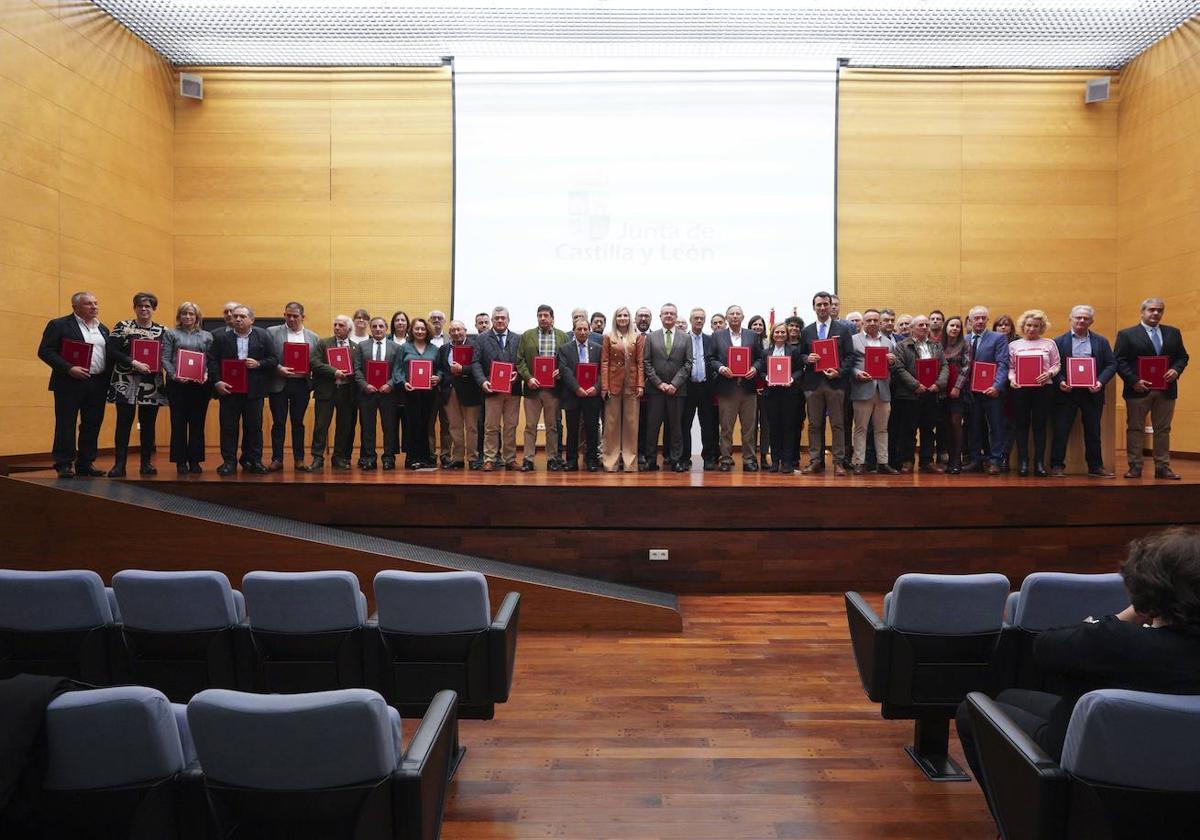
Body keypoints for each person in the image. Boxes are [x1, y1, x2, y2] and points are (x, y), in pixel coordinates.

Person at [955, 527, 1200, 824]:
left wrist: (1129, 615)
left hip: (1087, 766)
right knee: (1009, 698)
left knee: (972, 711)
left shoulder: (1115, 642)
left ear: (1146, 591)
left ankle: (1022, 824)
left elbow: (1045, 648)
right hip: (1184, 773)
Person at [37, 291, 111, 478]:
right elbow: (45, 351)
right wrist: (69, 368)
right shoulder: (59, 324)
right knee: (66, 423)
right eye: (88, 304)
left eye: (96, 303)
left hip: (97, 382)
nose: (94, 307)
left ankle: (86, 463)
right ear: (75, 306)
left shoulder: (103, 329)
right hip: (68, 382)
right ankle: (63, 463)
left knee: (92, 424)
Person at [1114, 297, 1190, 480]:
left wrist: (1176, 370)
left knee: (1163, 429)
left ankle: (1162, 466)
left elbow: (1182, 357)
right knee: (1135, 428)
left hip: (1166, 389)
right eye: (1151, 310)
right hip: (1137, 391)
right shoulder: (1127, 334)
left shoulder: (1173, 333)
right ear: (1142, 312)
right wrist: (1134, 381)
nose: (1156, 313)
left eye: (1159, 310)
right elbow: (1118, 360)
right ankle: (1135, 466)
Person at [207, 305, 277, 475]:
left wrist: (259, 363)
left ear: (251, 320)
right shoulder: (222, 337)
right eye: (235, 316)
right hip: (229, 390)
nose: (237, 319)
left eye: (242, 316)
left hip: (254, 391)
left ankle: (253, 460)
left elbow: (274, 359)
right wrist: (217, 382)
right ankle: (229, 462)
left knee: (254, 427)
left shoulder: (263, 335)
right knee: (228, 428)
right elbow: (212, 361)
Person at [1049, 305, 1117, 478]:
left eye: (1085, 318)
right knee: (1061, 430)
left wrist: (1100, 382)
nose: (1081, 320)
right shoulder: (1057, 342)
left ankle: (1096, 467)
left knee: (1093, 431)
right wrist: (1061, 381)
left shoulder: (1101, 341)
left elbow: (1111, 364)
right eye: (1078, 317)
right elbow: (1052, 366)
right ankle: (1057, 466)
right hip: (1066, 393)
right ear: (1070, 319)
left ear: (1091, 321)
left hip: (1092, 393)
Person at [105, 292, 168, 477]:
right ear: (135, 308)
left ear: (154, 309)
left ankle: (146, 463)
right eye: (140, 306)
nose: (144, 309)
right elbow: (111, 350)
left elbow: (167, 355)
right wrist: (133, 362)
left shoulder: (163, 330)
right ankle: (119, 465)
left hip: (151, 383)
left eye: (148, 306)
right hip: (125, 381)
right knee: (123, 423)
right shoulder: (123, 326)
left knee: (148, 425)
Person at [799, 292, 854, 476]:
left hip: (835, 384)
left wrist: (839, 372)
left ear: (831, 306)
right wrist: (808, 358)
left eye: (825, 304)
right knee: (814, 425)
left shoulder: (843, 329)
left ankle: (839, 462)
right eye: (819, 305)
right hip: (813, 385)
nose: (822, 308)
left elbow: (850, 356)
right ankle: (815, 460)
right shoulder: (806, 331)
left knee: (838, 424)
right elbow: (800, 356)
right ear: (813, 307)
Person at [707, 305, 765, 472]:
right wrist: (720, 368)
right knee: (726, 427)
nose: (734, 316)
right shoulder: (717, 336)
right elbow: (711, 359)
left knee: (749, 428)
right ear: (726, 317)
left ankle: (749, 460)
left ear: (743, 316)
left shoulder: (752, 335)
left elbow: (761, 358)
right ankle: (725, 459)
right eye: (731, 314)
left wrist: (754, 368)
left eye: (737, 313)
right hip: (727, 388)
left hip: (748, 388)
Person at [266, 302, 319, 472]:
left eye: (295, 316)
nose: (291, 318)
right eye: (288, 315)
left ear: (303, 317)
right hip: (279, 383)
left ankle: (299, 459)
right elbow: (266, 357)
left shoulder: (313, 337)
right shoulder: (272, 332)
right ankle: (277, 459)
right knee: (278, 422)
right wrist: (278, 369)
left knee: (298, 423)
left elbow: (315, 363)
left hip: (301, 385)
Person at [160, 302, 213, 475]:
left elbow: (210, 360)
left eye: (191, 314)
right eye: (184, 314)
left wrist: (205, 374)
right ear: (179, 316)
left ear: (197, 317)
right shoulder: (171, 334)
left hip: (200, 387)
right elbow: (165, 358)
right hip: (177, 386)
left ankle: (195, 460)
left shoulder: (207, 336)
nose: (188, 317)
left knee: (197, 424)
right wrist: (175, 375)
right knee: (178, 424)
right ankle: (180, 461)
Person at [957, 306, 1010, 475]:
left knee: (995, 426)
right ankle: (975, 460)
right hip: (969, 392)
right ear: (970, 320)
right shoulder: (963, 339)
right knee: (973, 426)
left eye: (983, 318)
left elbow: (1003, 364)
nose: (980, 321)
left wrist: (996, 386)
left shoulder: (998, 338)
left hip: (991, 391)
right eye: (976, 318)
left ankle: (995, 460)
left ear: (987, 320)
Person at [892, 315, 948, 473]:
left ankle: (927, 461)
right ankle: (907, 460)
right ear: (912, 328)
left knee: (928, 429)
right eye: (920, 325)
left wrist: (939, 384)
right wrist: (915, 385)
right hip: (910, 395)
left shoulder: (936, 346)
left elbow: (944, 366)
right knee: (908, 429)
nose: (924, 327)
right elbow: (899, 368)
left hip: (931, 393)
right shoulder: (902, 346)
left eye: (926, 324)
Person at [1008, 310, 1061, 477]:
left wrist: (1050, 374)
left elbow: (1057, 365)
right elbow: (1010, 368)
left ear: (1041, 327)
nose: (1032, 329)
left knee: (1040, 426)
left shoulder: (1050, 344)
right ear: (1023, 326)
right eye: (1029, 325)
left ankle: (1039, 463)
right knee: (1021, 425)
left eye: (1036, 326)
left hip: (1044, 389)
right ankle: (1023, 462)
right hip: (1020, 390)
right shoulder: (1013, 345)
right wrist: (1012, 379)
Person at [516, 305, 567, 471]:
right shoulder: (527, 335)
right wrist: (528, 378)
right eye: (540, 315)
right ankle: (528, 459)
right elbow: (520, 360)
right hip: (532, 390)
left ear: (552, 318)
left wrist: (561, 371)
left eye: (546, 315)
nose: (543, 318)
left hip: (554, 390)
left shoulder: (562, 336)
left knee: (552, 426)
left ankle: (552, 459)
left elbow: (567, 360)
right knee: (530, 426)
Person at [849, 310, 899, 475]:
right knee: (861, 428)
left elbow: (892, 366)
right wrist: (857, 373)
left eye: (875, 320)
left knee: (882, 429)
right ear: (863, 322)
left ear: (880, 322)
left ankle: (883, 462)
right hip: (862, 389)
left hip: (883, 390)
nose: (872, 323)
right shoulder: (854, 340)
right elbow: (848, 364)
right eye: (868, 320)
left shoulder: (888, 342)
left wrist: (892, 362)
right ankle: (859, 462)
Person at [472, 306, 522, 471]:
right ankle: (490, 458)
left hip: (512, 390)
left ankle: (510, 459)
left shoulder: (517, 338)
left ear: (508, 320)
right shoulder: (481, 339)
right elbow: (476, 363)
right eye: (497, 318)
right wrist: (482, 381)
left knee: (510, 426)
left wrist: (518, 375)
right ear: (492, 320)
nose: (500, 321)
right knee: (491, 426)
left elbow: (522, 362)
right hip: (491, 390)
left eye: (503, 318)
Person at [305, 315, 358, 472]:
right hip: (326, 391)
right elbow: (314, 363)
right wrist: (334, 372)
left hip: (347, 393)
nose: (336, 327)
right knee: (321, 426)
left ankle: (339, 457)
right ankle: (317, 458)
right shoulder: (323, 343)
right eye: (335, 324)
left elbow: (359, 368)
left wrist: (351, 372)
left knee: (344, 426)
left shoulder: (355, 347)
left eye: (341, 325)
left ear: (348, 329)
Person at [643, 303, 692, 472]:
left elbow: (688, 363)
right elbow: (646, 362)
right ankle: (650, 460)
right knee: (653, 426)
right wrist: (659, 383)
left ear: (676, 316)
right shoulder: (651, 337)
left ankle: (676, 460)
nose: (669, 316)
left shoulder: (686, 338)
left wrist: (674, 384)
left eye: (672, 313)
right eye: (665, 313)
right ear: (660, 316)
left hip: (677, 391)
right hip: (656, 390)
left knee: (676, 427)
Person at [393, 317, 441, 470]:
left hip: (429, 394)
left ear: (427, 330)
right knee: (412, 425)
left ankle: (426, 457)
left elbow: (440, 369)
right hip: (410, 393)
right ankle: (412, 458)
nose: (420, 331)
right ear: (411, 331)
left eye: (422, 329)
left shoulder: (434, 349)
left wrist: (438, 377)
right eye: (417, 329)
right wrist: (403, 382)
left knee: (426, 425)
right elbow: (397, 369)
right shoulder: (404, 348)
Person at [600, 306, 644, 472]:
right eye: (620, 315)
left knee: (631, 425)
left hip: (632, 385)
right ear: (615, 318)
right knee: (611, 425)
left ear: (629, 318)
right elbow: (604, 362)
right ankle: (610, 462)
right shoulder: (608, 337)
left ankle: (629, 462)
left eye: (626, 315)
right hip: (613, 385)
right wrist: (605, 386)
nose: (623, 318)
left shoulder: (637, 338)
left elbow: (640, 363)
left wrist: (640, 384)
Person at [557, 318, 603, 471]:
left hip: (592, 396)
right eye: (579, 329)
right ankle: (571, 460)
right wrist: (576, 388)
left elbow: (602, 371)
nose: (582, 332)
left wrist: (596, 387)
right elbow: (565, 371)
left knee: (592, 429)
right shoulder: (565, 349)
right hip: (573, 395)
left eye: (585, 329)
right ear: (574, 330)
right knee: (572, 430)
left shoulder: (598, 348)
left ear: (589, 330)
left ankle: (591, 460)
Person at [354, 316, 400, 470]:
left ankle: (388, 458)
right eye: (374, 326)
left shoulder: (396, 347)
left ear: (386, 328)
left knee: (389, 427)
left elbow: (398, 371)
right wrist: (364, 385)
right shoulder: (362, 346)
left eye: (381, 326)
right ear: (370, 328)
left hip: (388, 394)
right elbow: (357, 369)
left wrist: (390, 385)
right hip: (368, 393)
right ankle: (369, 458)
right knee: (368, 427)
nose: (378, 329)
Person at [435, 320, 481, 469]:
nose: (456, 333)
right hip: (450, 392)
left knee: (472, 427)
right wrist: (439, 377)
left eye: (459, 330)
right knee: (454, 427)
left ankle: (473, 458)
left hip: (470, 392)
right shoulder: (443, 349)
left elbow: (479, 366)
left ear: (465, 330)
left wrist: (463, 370)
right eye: (453, 330)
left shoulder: (475, 346)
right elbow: (441, 368)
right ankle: (458, 458)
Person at [761, 324, 805, 473]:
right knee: (774, 428)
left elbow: (800, 370)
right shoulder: (765, 352)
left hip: (789, 394)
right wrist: (767, 377)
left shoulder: (794, 351)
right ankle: (774, 461)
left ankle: (787, 462)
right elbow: (761, 371)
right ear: (772, 334)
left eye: (782, 332)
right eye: (777, 332)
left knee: (788, 428)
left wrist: (791, 379)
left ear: (786, 334)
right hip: (771, 395)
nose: (779, 334)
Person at [680, 307, 718, 471]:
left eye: (702, 318)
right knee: (684, 424)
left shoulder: (711, 340)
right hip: (687, 388)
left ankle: (708, 457)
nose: (699, 321)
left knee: (707, 424)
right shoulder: (682, 339)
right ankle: (684, 457)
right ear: (690, 320)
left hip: (706, 387)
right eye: (696, 318)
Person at [940, 315, 969, 474]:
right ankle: (949, 459)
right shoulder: (938, 345)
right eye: (952, 325)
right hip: (941, 389)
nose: (955, 328)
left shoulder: (965, 344)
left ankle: (956, 460)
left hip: (958, 389)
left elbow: (966, 368)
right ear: (946, 327)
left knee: (955, 423)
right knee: (944, 425)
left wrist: (957, 387)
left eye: (958, 326)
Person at [383, 311, 410, 468]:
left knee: (408, 424)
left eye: (403, 320)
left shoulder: (412, 341)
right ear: (393, 324)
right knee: (390, 424)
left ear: (407, 323)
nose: (400, 323)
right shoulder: (385, 340)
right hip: (390, 389)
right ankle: (389, 457)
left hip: (408, 389)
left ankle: (409, 456)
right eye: (397, 320)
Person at [426, 310, 451, 467]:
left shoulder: (451, 338)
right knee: (428, 423)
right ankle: (430, 454)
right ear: (429, 320)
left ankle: (446, 454)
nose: (436, 320)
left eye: (439, 318)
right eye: (433, 318)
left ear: (445, 321)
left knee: (447, 423)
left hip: (447, 388)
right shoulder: (422, 338)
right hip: (427, 389)